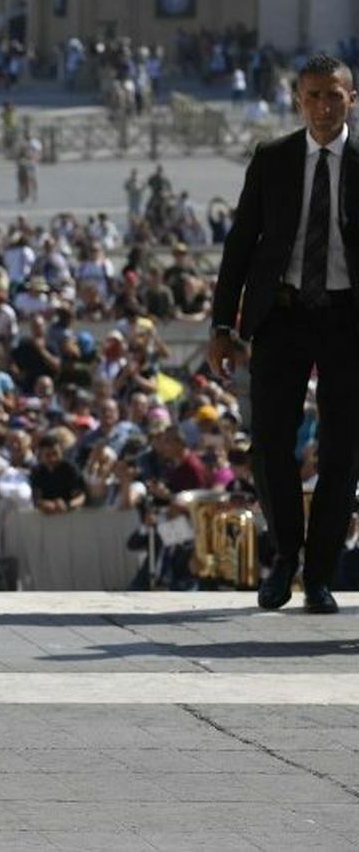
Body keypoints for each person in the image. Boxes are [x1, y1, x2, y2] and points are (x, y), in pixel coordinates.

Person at [209, 54, 359, 615]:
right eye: (313, 96)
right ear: (298, 101)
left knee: (343, 450)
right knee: (270, 442)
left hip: (347, 319)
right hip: (283, 314)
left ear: (353, 98)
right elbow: (241, 244)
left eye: (334, 95)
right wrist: (222, 325)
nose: (324, 106)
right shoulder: (273, 159)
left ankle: (319, 575)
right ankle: (284, 557)